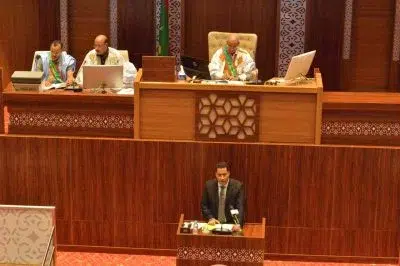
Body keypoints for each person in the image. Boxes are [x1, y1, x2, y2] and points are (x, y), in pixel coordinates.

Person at [201, 161, 245, 230]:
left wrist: (238, 223)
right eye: (219, 175)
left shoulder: (238, 186)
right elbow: (204, 205)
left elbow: (240, 207)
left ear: (229, 173)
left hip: (231, 224)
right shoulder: (209, 186)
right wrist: (210, 218)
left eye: (224, 174)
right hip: (214, 223)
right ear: (216, 174)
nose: (222, 178)